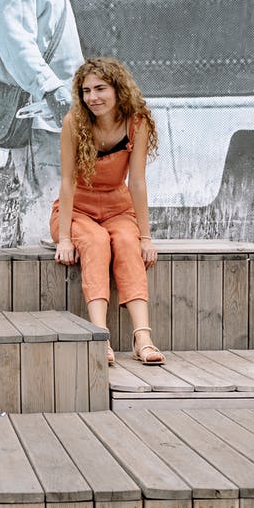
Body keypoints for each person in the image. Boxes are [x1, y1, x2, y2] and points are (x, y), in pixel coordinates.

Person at [51, 58, 165, 366]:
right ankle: (100, 336)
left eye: (100, 89)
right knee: (97, 241)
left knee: (127, 244)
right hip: (77, 210)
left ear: (118, 90)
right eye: (86, 91)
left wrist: (145, 236)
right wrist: (64, 238)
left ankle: (143, 337)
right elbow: (66, 182)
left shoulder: (136, 122)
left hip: (117, 206)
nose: (93, 97)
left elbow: (137, 182)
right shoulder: (74, 122)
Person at [0, 0, 83, 246]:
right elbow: (14, 39)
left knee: (57, 222)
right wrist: (51, 90)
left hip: (53, 119)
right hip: (42, 119)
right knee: (45, 225)